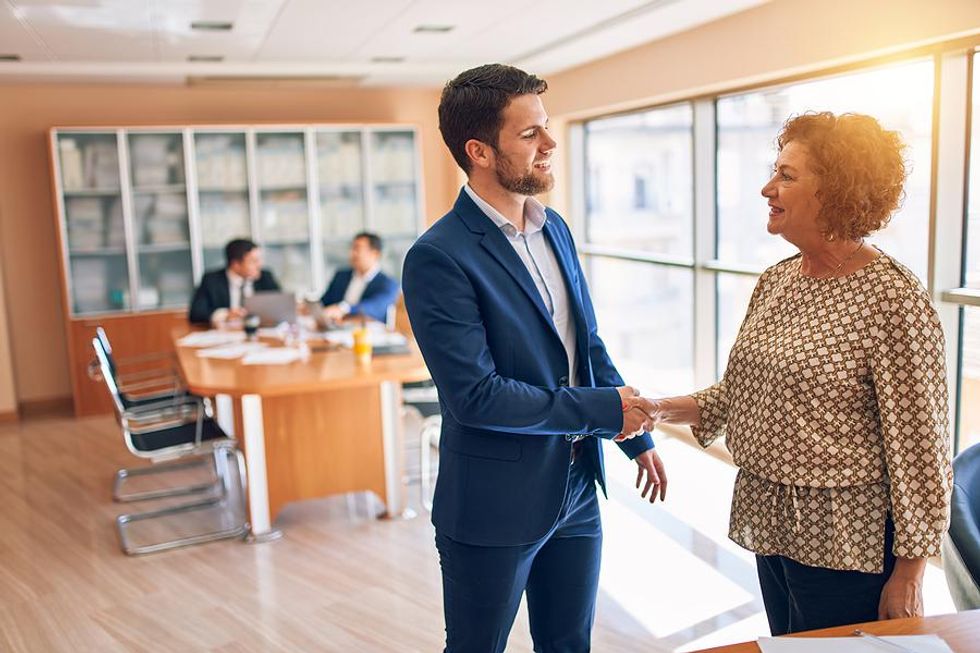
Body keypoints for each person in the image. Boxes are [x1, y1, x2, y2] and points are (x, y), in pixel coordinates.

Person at [626, 112, 952, 635]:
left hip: (846, 546)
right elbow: (740, 395)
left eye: (787, 176)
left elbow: (922, 449)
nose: (767, 188)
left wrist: (911, 570)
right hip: (772, 523)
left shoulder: (894, 300)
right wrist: (657, 408)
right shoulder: (778, 281)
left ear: (838, 191)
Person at [402, 63, 666, 653]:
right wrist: (605, 411)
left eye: (545, 128)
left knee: (570, 645)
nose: (550, 144)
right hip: (494, 503)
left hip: (576, 487)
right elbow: (477, 396)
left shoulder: (557, 230)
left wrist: (635, 433)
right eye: (530, 135)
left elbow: (586, 347)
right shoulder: (438, 257)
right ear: (480, 151)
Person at [188, 238, 280, 326]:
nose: (259, 265)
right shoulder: (212, 280)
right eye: (253, 261)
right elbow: (196, 313)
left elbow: (280, 305)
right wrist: (226, 314)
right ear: (235, 264)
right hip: (224, 335)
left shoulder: (265, 276)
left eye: (259, 260)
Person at [320, 232, 399, 324]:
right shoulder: (340, 276)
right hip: (334, 329)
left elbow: (375, 307)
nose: (352, 253)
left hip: (368, 333)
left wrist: (343, 309)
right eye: (352, 248)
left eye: (357, 248)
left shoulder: (388, 283)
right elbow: (324, 302)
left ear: (375, 254)